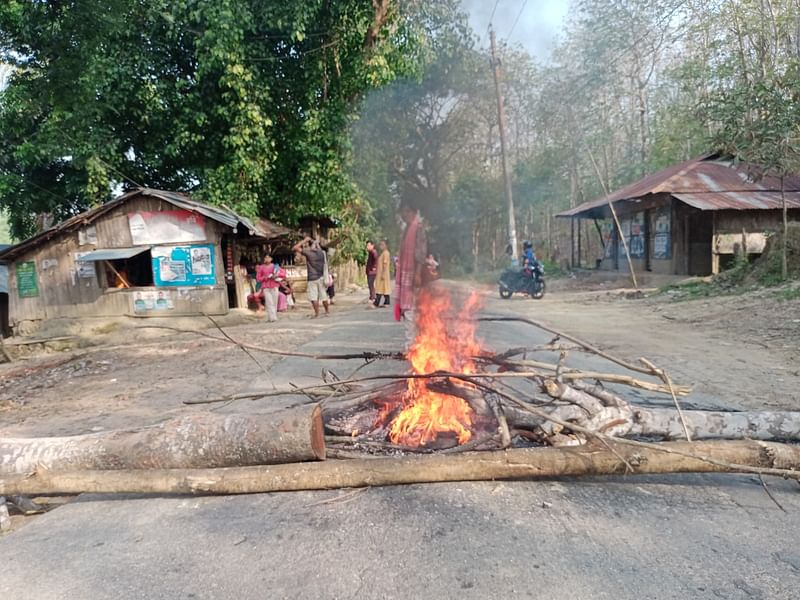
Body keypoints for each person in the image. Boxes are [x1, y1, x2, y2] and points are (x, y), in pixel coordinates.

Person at [395, 202, 427, 321]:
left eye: (407, 211)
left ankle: (413, 339)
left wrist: (418, 274)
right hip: (405, 276)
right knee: (407, 310)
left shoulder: (418, 228)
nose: (404, 214)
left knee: (412, 309)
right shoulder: (406, 230)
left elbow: (421, 252)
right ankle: (411, 338)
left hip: (414, 274)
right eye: (403, 211)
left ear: (414, 212)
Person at [292, 236, 330, 318]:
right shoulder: (322, 253)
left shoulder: (309, 253)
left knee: (314, 297)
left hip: (312, 278)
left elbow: (295, 248)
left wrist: (305, 240)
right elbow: (319, 248)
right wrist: (316, 243)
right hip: (321, 277)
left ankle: (317, 314)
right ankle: (327, 311)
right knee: (324, 296)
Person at [256, 254, 285, 322]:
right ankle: (273, 317)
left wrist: (276, 275)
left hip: (274, 286)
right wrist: (265, 277)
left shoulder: (275, 266)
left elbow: (283, 274)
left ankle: (271, 317)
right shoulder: (261, 267)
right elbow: (258, 278)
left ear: (271, 259)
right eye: (265, 257)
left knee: (274, 302)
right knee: (269, 302)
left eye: (268, 257)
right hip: (266, 287)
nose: (267, 259)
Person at [372, 239, 391, 307]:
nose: (381, 246)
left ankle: (376, 303)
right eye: (380, 244)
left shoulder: (386, 253)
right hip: (381, 273)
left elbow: (385, 264)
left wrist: (383, 273)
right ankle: (387, 302)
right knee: (384, 288)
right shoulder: (383, 253)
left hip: (383, 274)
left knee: (379, 289)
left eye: (382, 245)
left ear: (386, 245)